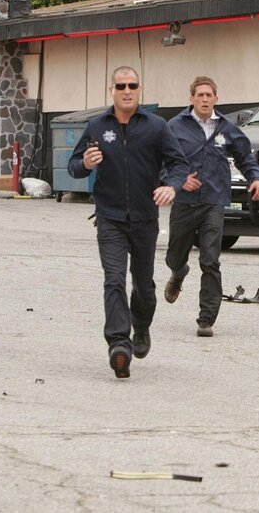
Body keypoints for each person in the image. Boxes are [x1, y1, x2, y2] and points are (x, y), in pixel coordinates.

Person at [68, 66, 189, 379]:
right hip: (109, 217)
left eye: (132, 85)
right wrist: (84, 162)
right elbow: (73, 166)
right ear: (112, 89)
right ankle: (119, 344)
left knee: (144, 286)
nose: (126, 90)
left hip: (145, 218)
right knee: (113, 278)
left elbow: (178, 165)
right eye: (120, 85)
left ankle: (142, 327)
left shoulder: (156, 127)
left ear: (139, 89)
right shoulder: (97, 126)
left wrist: (171, 186)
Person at [164, 76, 259, 337]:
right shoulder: (174, 127)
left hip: (214, 202)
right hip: (184, 203)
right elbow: (160, 160)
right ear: (191, 99)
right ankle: (178, 272)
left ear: (216, 99)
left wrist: (256, 178)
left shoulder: (227, 128)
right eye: (200, 95)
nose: (205, 99)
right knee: (175, 256)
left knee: (210, 260)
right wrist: (177, 180)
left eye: (209, 95)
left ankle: (206, 319)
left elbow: (245, 156)